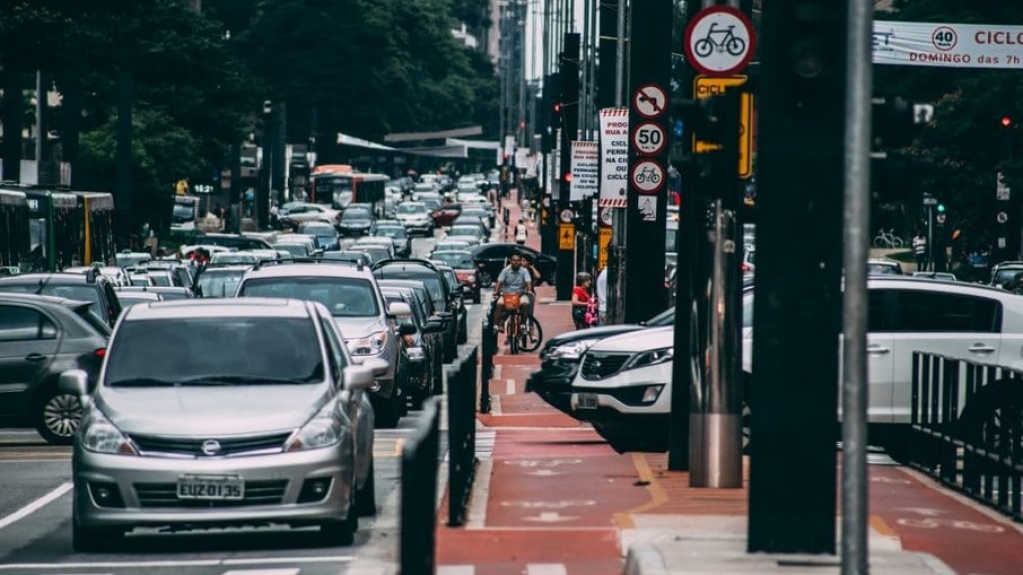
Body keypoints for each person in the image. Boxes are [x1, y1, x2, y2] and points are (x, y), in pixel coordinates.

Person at [492, 253, 534, 332]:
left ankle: (522, 325)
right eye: (514, 260)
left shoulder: (524, 271)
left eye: (518, 260)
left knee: (525, 303)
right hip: (507, 295)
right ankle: (496, 326)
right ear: (511, 261)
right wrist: (496, 291)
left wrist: (529, 290)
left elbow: (528, 282)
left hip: (520, 295)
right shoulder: (505, 271)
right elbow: (499, 282)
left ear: (520, 262)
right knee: (499, 304)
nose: (516, 262)